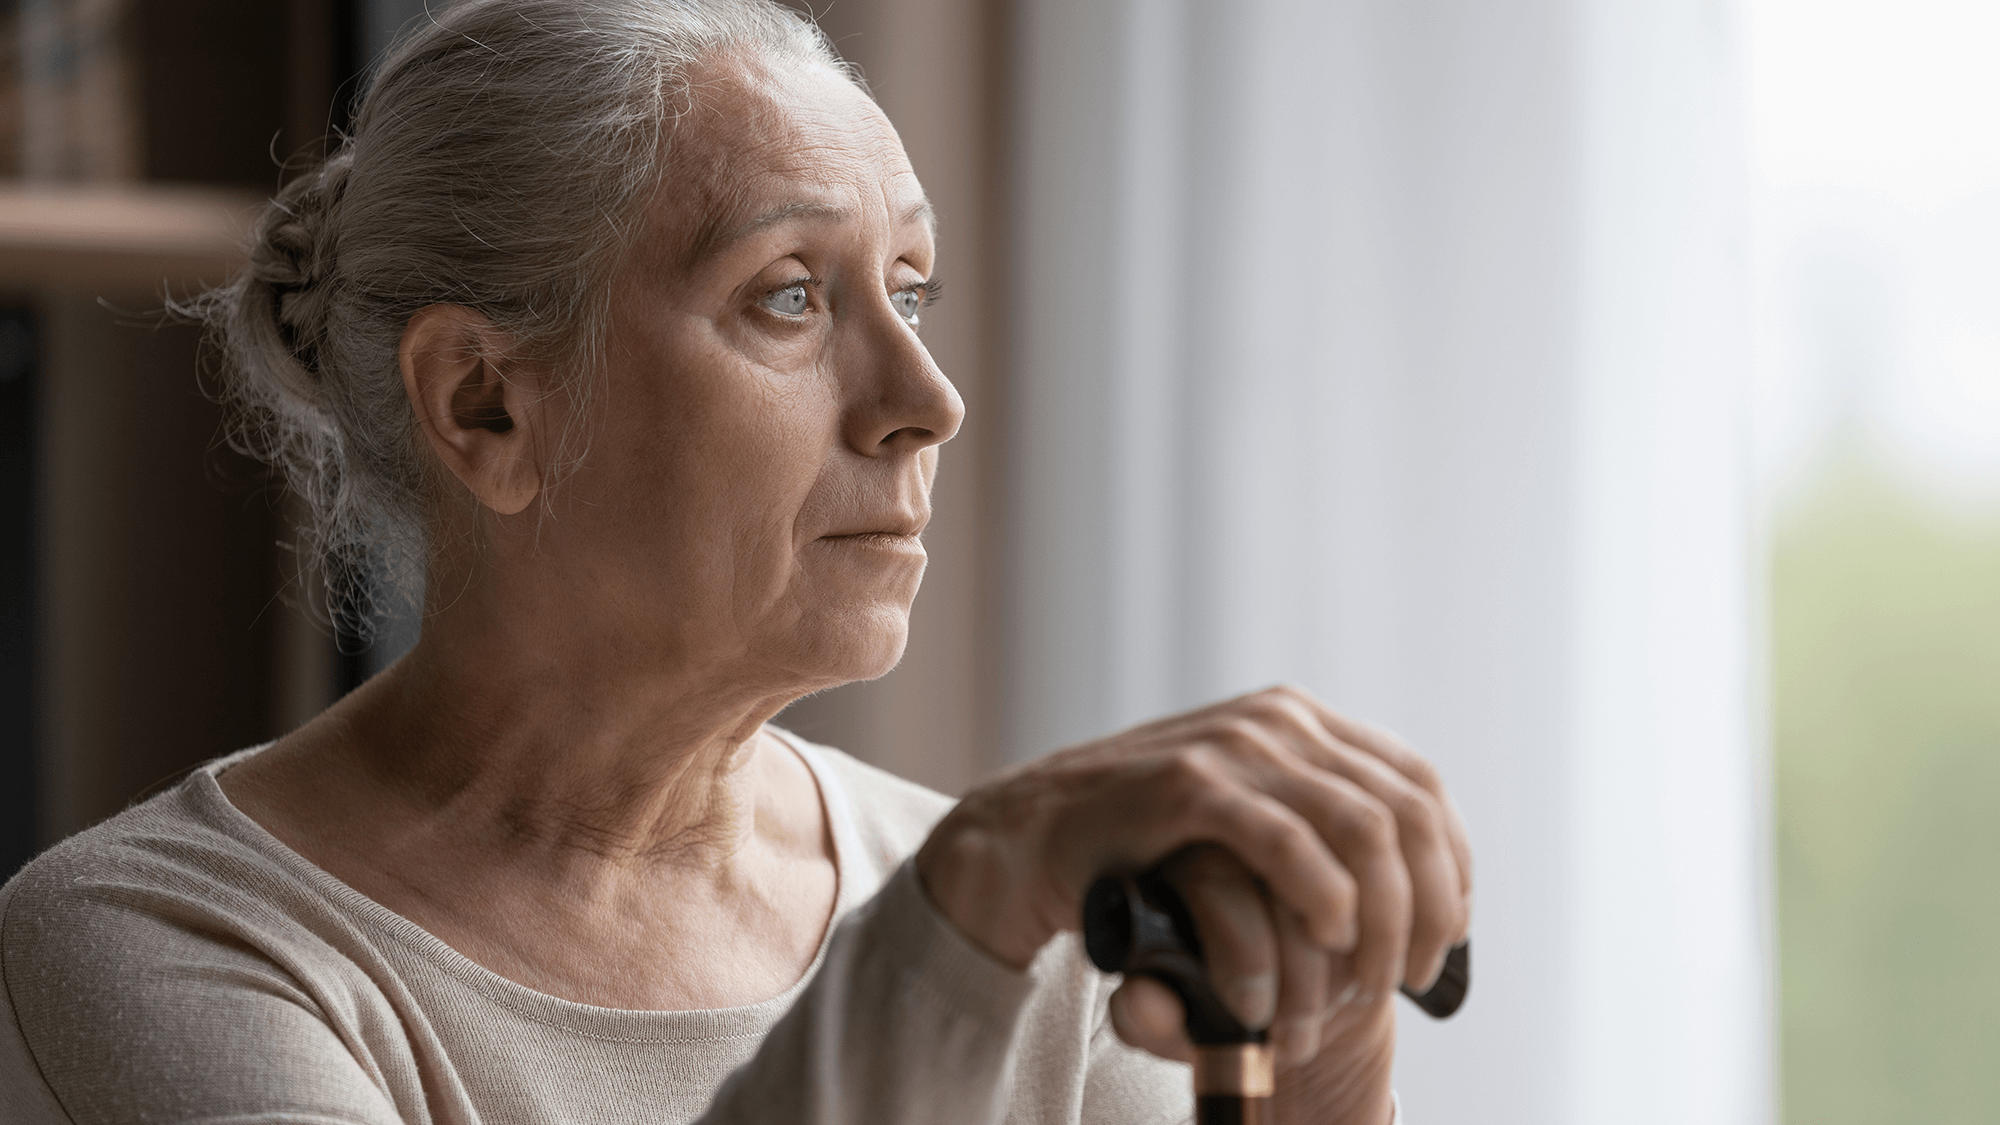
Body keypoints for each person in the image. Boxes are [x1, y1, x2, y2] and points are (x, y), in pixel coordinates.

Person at [0, 2, 1472, 1122]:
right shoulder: (170, 942)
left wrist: (1320, 1069)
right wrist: (949, 933)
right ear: (487, 404)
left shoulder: (1023, 927)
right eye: (786, 297)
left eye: (911, 287)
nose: (927, 399)